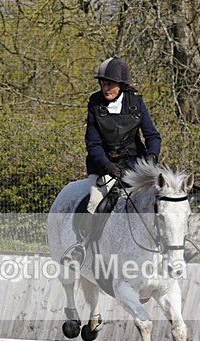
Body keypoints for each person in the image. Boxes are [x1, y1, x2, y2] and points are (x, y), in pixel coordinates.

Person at [63, 56, 162, 264]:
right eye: (102, 83)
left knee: (164, 197)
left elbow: (152, 136)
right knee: (95, 202)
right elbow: (92, 144)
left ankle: (174, 247)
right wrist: (106, 165)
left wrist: (151, 157)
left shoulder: (136, 102)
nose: (105, 87)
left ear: (121, 85)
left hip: (136, 165)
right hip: (104, 165)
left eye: (110, 84)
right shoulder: (95, 103)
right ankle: (82, 246)